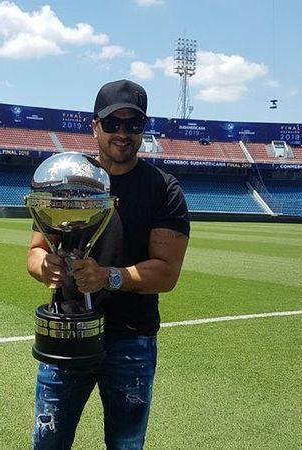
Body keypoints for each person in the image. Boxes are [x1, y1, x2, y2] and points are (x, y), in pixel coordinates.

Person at [27, 79, 190, 449]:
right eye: (113, 123)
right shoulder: (67, 179)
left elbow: (166, 272)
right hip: (67, 332)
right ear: (95, 125)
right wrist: (46, 267)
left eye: (133, 125)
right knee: (48, 444)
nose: (123, 133)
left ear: (143, 130)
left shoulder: (163, 189)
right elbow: (35, 253)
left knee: (126, 445)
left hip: (131, 339)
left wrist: (107, 277)